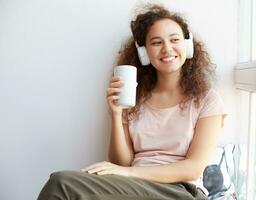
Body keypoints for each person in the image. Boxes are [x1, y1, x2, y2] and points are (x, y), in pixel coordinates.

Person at [37, 4, 226, 200]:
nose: (167, 48)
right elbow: (122, 162)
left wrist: (129, 173)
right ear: (144, 53)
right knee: (60, 183)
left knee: (61, 183)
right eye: (156, 42)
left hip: (181, 191)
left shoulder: (207, 100)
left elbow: (193, 169)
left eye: (174, 40)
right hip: (134, 187)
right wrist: (117, 114)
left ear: (187, 45)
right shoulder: (134, 97)